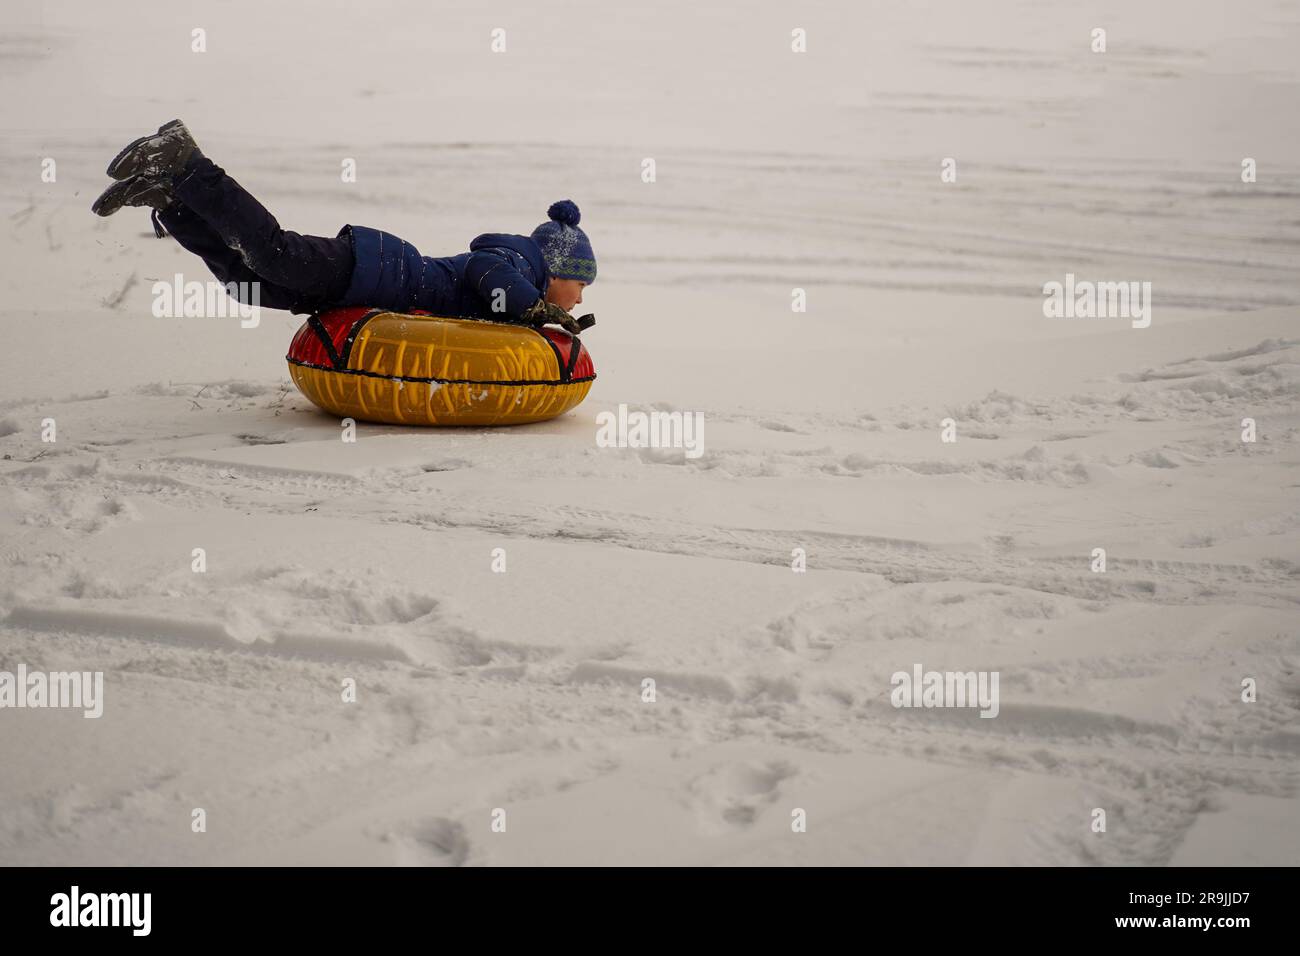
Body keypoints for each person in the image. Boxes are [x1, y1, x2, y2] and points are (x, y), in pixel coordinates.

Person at [92, 120, 595, 333]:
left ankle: (174, 200)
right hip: (373, 271)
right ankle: (187, 162)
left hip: (358, 286)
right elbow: (485, 272)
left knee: (246, 285)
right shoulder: (515, 263)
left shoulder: (525, 276)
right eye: (581, 283)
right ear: (556, 268)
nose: (580, 298)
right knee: (272, 252)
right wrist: (535, 307)